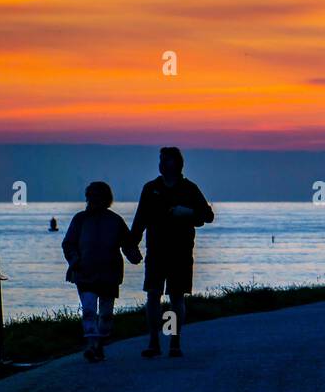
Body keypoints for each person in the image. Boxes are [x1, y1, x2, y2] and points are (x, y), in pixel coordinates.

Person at [131, 147, 215, 358]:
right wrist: (131, 244)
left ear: (176, 163)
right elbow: (140, 218)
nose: (161, 163)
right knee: (153, 294)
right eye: (160, 159)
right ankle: (154, 341)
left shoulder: (189, 189)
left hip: (181, 251)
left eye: (165, 160)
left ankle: (174, 342)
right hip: (156, 250)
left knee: (175, 296)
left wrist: (187, 212)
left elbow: (207, 216)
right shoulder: (150, 188)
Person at [62, 182, 141, 362]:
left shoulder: (115, 220)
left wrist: (134, 255)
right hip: (84, 274)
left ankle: (99, 344)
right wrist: (75, 260)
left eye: (98, 196)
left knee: (105, 314)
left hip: (109, 275)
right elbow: (68, 243)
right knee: (89, 310)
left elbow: (127, 243)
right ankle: (91, 345)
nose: (94, 200)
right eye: (91, 196)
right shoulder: (80, 219)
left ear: (106, 199)